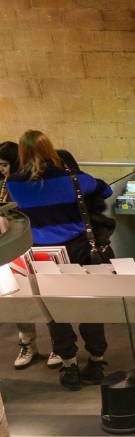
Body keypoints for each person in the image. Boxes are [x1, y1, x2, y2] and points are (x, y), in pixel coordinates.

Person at [6, 131, 113, 389]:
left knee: (54, 311)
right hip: (77, 249)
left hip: (41, 254)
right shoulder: (72, 179)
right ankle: (96, 360)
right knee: (88, 304)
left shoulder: (13, 184)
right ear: (49, 149)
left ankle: (69, 365)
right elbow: (105, 189)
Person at [0, 140, 58, 370]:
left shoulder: (28, 183)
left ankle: (58, 344)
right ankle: (27, 343)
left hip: (35, 244)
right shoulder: (3, 184)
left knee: (44, 295)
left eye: (4, 164)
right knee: (17, 299)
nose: (1, 170)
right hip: (9, 250)